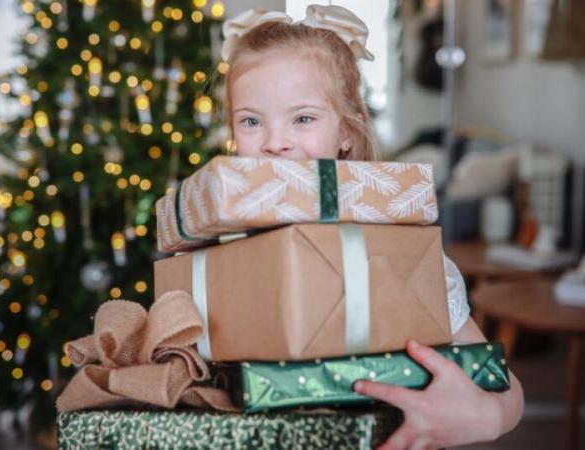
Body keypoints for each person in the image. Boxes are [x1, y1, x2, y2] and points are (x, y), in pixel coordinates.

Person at [220, 5, 524, 449]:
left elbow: (504, 388)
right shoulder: (220, 252)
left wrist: (490, 415)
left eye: (303, 118)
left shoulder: (396, 252)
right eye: (251, 121)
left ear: (345, 132)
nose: (274, 142)